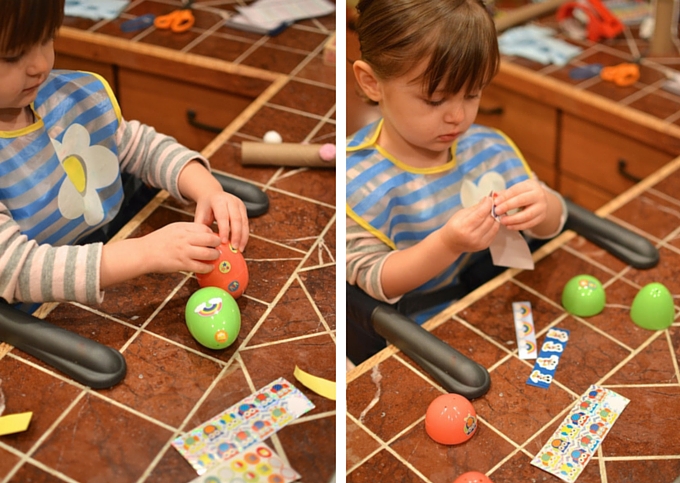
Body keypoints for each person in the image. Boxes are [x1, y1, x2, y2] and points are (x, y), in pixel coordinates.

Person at [346, 0, 567, 364]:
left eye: (472, 93)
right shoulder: (357, 180)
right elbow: (374, 282)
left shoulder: (486, 148)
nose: (458, 116)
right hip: (411, 332)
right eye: (434, 99)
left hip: (488, 303)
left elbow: (553, 222)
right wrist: (447, 244)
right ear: (372, 83)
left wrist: (542, 205)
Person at [0, 0, 248, 310]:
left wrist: (208, 190)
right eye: (12, 55)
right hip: (32, 318)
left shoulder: (66, 96)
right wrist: (146, 253)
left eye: (46, 37)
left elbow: (142, 147)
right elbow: (17, 269)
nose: (40, 65)